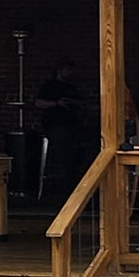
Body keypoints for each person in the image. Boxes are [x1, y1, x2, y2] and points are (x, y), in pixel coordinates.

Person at [34, 62, 84, 205]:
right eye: (67, 69)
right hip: (56, 126)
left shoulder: (72, 88)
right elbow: (38, 103)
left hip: (74, 127)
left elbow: (82, 103)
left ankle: (79, 183)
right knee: (65, 151)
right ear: (59, 70)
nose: (70, 73)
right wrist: (56, 104)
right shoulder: (50, 86)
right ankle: (69, 189)